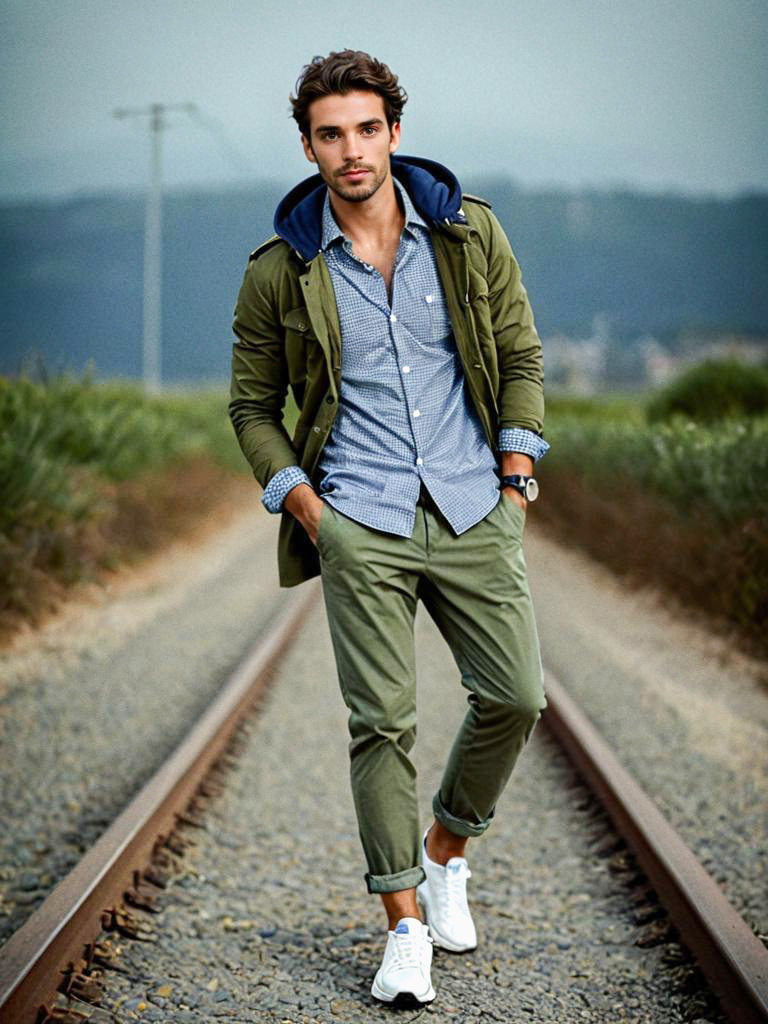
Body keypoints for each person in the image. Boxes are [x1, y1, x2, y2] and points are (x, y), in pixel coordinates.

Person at [229, 49, 550, 1007]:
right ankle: (403, 926)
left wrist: (517, 470)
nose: (351, 150)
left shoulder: (465, 234)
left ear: (394, 133)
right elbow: (251, 406)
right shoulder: (280, 271)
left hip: (470, 503)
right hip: (356, 517)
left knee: (518, 696)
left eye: (367, 129)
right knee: (383, 726)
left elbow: (522, 350)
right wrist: (304, 504)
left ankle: (447, 847)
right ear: (308, 146)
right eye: (331, 134)